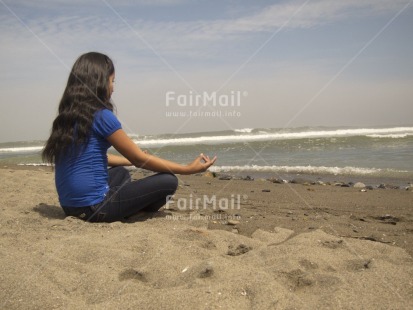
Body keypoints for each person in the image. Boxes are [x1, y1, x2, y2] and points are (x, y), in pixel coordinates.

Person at [42, 52, 216, 223]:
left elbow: (94, 156)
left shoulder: (67, 119)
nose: (113, 87)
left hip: (70, 207)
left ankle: (124, 205)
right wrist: (188, 169)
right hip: (94, 209)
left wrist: (128, 162)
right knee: (168, 181)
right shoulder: (102, 116)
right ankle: (133, 211)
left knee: (121, 173)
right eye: (112, 81)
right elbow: (140, 159)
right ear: (99, 83)